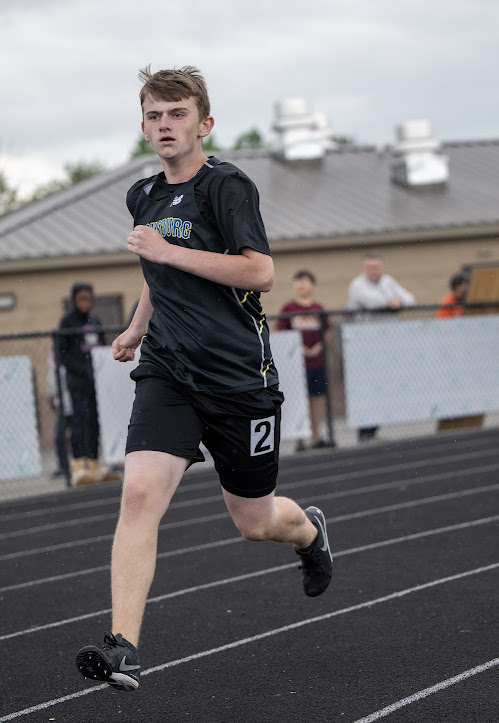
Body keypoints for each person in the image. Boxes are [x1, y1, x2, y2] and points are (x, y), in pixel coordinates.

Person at [75, 66, 333, 691]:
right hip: (169, 370)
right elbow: (159, 276)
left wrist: (166, 252)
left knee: (255, 520)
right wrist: (139, 327)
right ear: (143, 126)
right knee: (138, 495)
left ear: (203, 123)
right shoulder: (144, 195)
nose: (165, 126)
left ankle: (310, 531)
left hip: (240, 378)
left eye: (177, 114)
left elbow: (259, 272)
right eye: (154, 116)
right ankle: (124, 647)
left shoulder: (229, 188)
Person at [346, 252, 416, 441]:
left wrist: (398, 302)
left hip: (388, 346)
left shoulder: (388, 282)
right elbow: (371, 301)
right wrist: (390, 302)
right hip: (365, 347)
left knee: (384, 387)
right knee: (367, 389)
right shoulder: (357, 284)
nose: (373, 271)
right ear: (364, 269)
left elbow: (410, 299)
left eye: (376, 267)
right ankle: (364, 432)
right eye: (370, 268)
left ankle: (374, 430)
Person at [58, 283, 120, 485]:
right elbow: (63, 354)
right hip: (77, 383)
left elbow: (101, 347)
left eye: (88, 298)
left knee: (94, 422)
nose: (85, 303)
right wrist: (83, 371)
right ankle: (78, 466)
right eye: (81, 299)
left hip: (96, 382)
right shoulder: (68, 322)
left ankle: (93, 465)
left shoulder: (95, 321)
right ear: (74, 300)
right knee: (79, 422)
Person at [276, 270, 332, 451]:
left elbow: (328, 332)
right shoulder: (288, 309)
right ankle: (300, 438)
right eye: (297, 282)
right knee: (298, 401)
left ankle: (316, 436)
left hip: (316, 364)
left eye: (305, 282)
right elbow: (280, 333)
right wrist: (297, 348)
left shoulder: (318, 309)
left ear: (313, 286)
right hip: (295, 367)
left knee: (316, 400)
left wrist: (318, 347)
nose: (301, 285)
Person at [47, 349, 73, 478]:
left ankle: (77, 464)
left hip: (72, 405)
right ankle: (63, 466)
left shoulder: (69, 366)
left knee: (76, 436)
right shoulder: (53, 369)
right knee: (59, 438)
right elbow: (51, 390)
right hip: (62, 408)